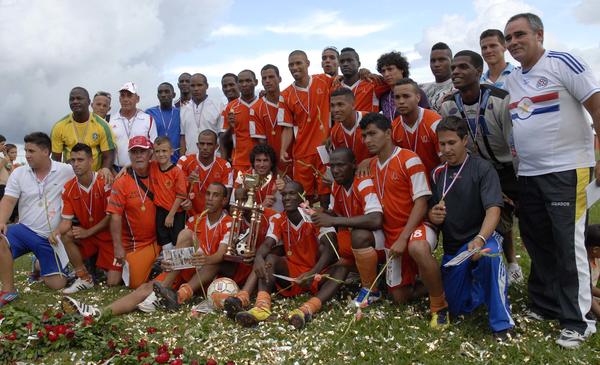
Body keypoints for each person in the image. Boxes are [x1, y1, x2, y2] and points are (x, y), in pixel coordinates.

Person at [504, 12, 600, 347]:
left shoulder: (563, 63)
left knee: (568, 244)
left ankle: (580, 320)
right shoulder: (513, 79)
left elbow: (597, 106)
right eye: (509, 38)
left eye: (519, 35)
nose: (513, 43)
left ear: (539, 34)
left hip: (568, 170)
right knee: (537, 241)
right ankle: (546, 305)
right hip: (529, 174)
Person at [61, 183, 231, 318]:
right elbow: (183, 249)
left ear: (224, 201)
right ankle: (98, 312)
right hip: (186, 270)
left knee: (210, 260)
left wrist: (202, 260)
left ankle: (173, 294)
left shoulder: (228, 222)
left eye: (216, 195)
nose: (210, 198)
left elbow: (220, 256)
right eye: (208, 194)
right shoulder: (196, 219)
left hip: (207, 277)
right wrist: (171, 261)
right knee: (145, 287)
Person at [440, 50, 522, 285]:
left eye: (463, 67)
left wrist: (519, 178)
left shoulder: (499, 98)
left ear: (479, 71)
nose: (455, 71)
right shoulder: (448, 104)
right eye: (454, 67)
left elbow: (513, 141)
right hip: (481, 168)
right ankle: (492, 264)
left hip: (510, 167)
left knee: (526, 218)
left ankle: (518, 265)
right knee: (493, 216)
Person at [360, 113, 448, 327]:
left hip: (417, 228)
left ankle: (440, 307)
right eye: (364, 136)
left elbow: (421, 202)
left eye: (373, 134)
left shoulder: (409, 159)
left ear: (389, 133)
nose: (367, 140)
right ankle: (442, 279)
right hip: (391, 235)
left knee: (417, 248)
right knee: (399, 298)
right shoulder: (369, 165)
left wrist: (403, 238)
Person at [429, 116, 514, 339]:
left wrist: (480, 239)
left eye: (451, 143)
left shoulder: (482, 169)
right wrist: (434, 215)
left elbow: (493, 210)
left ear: (464, 140)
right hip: (454, 249)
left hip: (482, 239)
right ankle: (479, 284)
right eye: (442, 144)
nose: (446, 149)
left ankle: (502, 324)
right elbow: (432, 213)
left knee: (489, 257)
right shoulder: (438, 173)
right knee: (458, 308)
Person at [234, 181, 337, 327]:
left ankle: (306, 310)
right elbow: (268, 244)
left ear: (302, 197)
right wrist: (258, 257)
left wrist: (313, 273)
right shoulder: (279, 219)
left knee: (341, 269)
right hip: (293, 274)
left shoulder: (314, 217)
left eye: (292, 194)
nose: (287, 198)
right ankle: (261, 307)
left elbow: (331, 249)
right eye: (284, 195)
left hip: (317, 272)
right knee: (269, 258)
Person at [0, 132, 74, 302]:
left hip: (49, 237)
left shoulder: (65, 170)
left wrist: (121, 168)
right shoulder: (19, 173)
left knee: (57, 284)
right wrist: (1, 221)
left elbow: (88, 175)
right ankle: (8, 290)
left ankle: (37, 263)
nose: (26, 155)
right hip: (23, 230)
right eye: (25, 150)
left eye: (31, 151)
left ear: (45, 151)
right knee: (0, 238)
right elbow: (9, 200)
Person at [311, 147, 385, 309]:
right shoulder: (337, 186)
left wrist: (332, 220)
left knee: (358, 236)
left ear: (353, 165)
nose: (335, 171)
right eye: (332, 166)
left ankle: (371, 289)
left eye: (340, 165)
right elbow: (334, 214)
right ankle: (355, 273)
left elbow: (376, 219)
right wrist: (320, 214)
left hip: (381, 238)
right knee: (322, 238)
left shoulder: (363, 182)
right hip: (357, 238)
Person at [52, 143, 120, 293]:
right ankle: (83, 277)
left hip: (108, 236)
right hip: (87, 235)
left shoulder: (105, 181)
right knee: (66, 235)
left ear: (91, 161)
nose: (75, 164)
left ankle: (98, 265)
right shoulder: (68, 187)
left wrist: (88, 232)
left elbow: (112, 217)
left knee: (113, 282)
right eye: (73, 160)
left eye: (80, 160)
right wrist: (56, 232)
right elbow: (66, 222)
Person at [107, 136, 161, 289]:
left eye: (142, 152)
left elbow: (166, 155)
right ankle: (150, 266)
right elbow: (115, 215)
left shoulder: (158, 169)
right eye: (134, 152)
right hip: (133, 243)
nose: (138, 156)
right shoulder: (122, 181)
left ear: (150, 153)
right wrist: (118, 246)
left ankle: (153, 264)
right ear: (129, 155)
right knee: (115, 281)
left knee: (136, 280)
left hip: (158, 239)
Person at [279, 50, 333, 205]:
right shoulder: (286, 95)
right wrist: (283, 149)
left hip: (324, 149)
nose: (294, 67)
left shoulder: (324, 80)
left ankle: (327, 227)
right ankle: (308, 228)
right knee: (304, 195)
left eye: (298, 63)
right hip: (302, 152)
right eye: (291, 65)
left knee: (326, 192)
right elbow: (287, 127)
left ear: (308, 64)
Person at [51, 87, 115, 181]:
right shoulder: (59, 126)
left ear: (89, 102)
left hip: (95, 178)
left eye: (79, 98)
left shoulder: (103, 126)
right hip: (69, 178)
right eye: (72, 99)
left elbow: (108, 155)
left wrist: (105, 170)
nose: (75, 101)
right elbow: (55, 159)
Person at [391, 78, 442, 175]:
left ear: (418, 98)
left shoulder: (434, 122)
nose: (401, 101)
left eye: (406, 96)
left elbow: (446, 161)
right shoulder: (393, 127)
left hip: (437, 179)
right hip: (410, 181)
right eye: (397, 97)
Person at [177, 130, 233, 216]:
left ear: (216, 146)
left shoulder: (225, 166)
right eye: (202, 144)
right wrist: (187, 180)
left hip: (212, 216)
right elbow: (174, 191)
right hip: (187, 215)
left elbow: (225, 199)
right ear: (197, 145)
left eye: (209, 144)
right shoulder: (184, 161)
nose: (205, 147)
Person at [250, 64, 291, 174]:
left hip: (295, 156)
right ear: (261, 82)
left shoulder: (289, 100)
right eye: (264, 78)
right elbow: (262, 143)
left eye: (271, 77)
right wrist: (273, 166)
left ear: (280, 79)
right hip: (274, 163)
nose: (267, 81)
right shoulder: (255, 108)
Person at [109, 82, 157, 171]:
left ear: (137, 99)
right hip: (117, 170)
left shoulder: (148, 119)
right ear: (119, 99)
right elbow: (107, 151)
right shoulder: (110, 120)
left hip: (142, 171)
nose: (125, 99)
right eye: (122, 96)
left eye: (129, 96)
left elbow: (154, 148)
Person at [149, 137, 187, 251]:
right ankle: (168, 264)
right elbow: (136, 165)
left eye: (164, 151)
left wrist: (171, 215)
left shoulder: (177, 172)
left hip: (175, 213)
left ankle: (178, 267)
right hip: (160, 211)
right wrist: (124, 168)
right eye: (157, 151)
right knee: (164, 240)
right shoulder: (153, 166)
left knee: (177, 242)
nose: (161, 154)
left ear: (172, 152)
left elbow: (180, 195)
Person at [223, 70, 260, 173]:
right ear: (238, 84)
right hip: (239, 161)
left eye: (248, 81)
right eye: (241, 81)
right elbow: (224, 140)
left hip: (261, 161)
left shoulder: (262, 104)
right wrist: (231, 127)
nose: (244, 84)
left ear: (256, 82)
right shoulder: (230, 107)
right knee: (239, 189)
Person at [180, 73, 225, 156]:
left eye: (199, 85)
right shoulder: (184, 108)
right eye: (192, 86)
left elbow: (222, 135)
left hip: (213, 158)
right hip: (190, 158)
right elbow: (183, 137)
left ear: (206, 86)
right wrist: (181, 159)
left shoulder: (218, 105)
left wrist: (223, 160)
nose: (196, 89)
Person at [377, 51, 430, 122]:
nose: (386, 74)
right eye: (383, 71)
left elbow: (426, 117)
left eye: (390, 69)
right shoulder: (384, 97)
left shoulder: (416, 92)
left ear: (401, 69)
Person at [231, 144, 282, 211]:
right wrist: (261, 206)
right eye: (258, 160)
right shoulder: (242, 178)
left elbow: (280, 210)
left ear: (271, 163)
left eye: (265, 160)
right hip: (248, 220)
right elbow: (232, 209)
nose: (262, 165)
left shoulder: (279, 180)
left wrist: (283, 190)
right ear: (253, 162)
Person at [338, 47, 388, 113]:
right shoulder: (334, 85)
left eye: (349, 60)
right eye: (342, 61)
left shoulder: (372, 82)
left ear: (359, 64)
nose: (345, 64)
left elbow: (397, 83)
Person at [329, 88, 370, 164]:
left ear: (353, 105)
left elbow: (387, 151)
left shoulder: (371, 120)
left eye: (340, 104)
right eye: (332, 105)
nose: (335, 110)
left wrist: (370, 161)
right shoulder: (335, 131)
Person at [145, 82, 181, 164]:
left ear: (174, 95)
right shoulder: (149, 112)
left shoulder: (180, 113)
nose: (163, 94)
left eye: (167, 91)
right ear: (157, 95)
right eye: (160, 92)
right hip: (156, 158)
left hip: (176, 158)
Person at [420, 42, 454, 114]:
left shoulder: (458, 89)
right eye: (433, 61)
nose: (436, 64)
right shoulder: (422, 90)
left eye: (441, 60)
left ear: (452, 61)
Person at [585, 225, 600, 319]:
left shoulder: (597, 259)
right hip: (581, 296)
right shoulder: (581, 264)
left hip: (590, 297)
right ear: (595, 250)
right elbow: (586, 288)